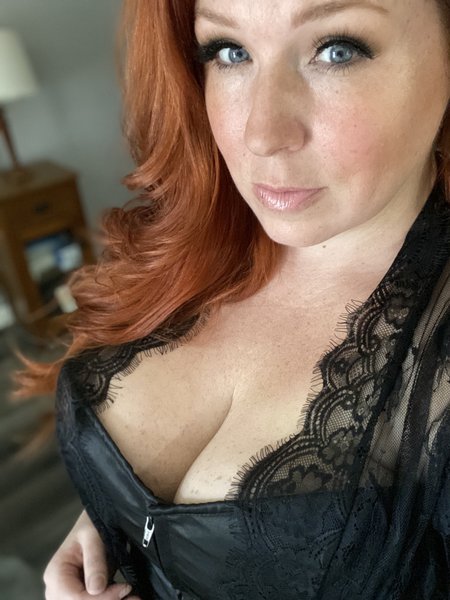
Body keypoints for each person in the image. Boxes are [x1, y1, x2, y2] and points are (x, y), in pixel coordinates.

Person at [32, 0, 450, 598]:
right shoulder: (193, 235)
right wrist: (116, 523)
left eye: (337, 49)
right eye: (229, 51)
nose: (260, 134)